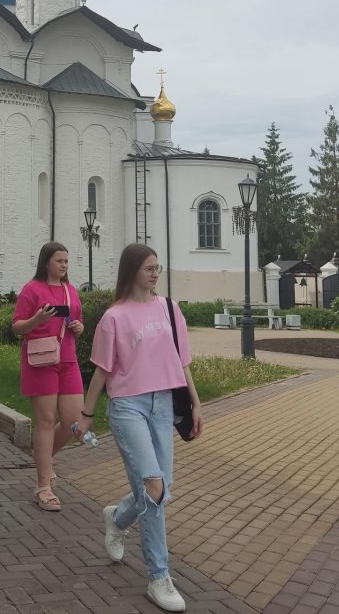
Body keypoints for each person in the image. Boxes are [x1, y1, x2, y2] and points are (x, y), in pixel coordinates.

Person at [78, 244, 202, 613]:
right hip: (128, 407)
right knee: (154, 486)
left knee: (162, 489)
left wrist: (195, 404)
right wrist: (87, 414)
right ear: (132, 270)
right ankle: (158, 576)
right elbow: (101, 370)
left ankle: (117, 519)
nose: (154, 273)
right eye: (149, 268)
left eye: (157, 268)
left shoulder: (169, 308)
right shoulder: (114, 317)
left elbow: (183, 361)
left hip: (163, 405)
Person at [12, 241, 85, 512]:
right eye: (59, 261)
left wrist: (78, 327)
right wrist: (37, 321)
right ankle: (43, 486)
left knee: (73, 420)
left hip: (67, 360)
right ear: (46, 263)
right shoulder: (32, 290)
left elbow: (77, 321)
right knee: (45, 420)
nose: (64, 265)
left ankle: (43, 460)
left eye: (66, 261)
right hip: (40, 361)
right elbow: (17, 326)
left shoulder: (70, 290)